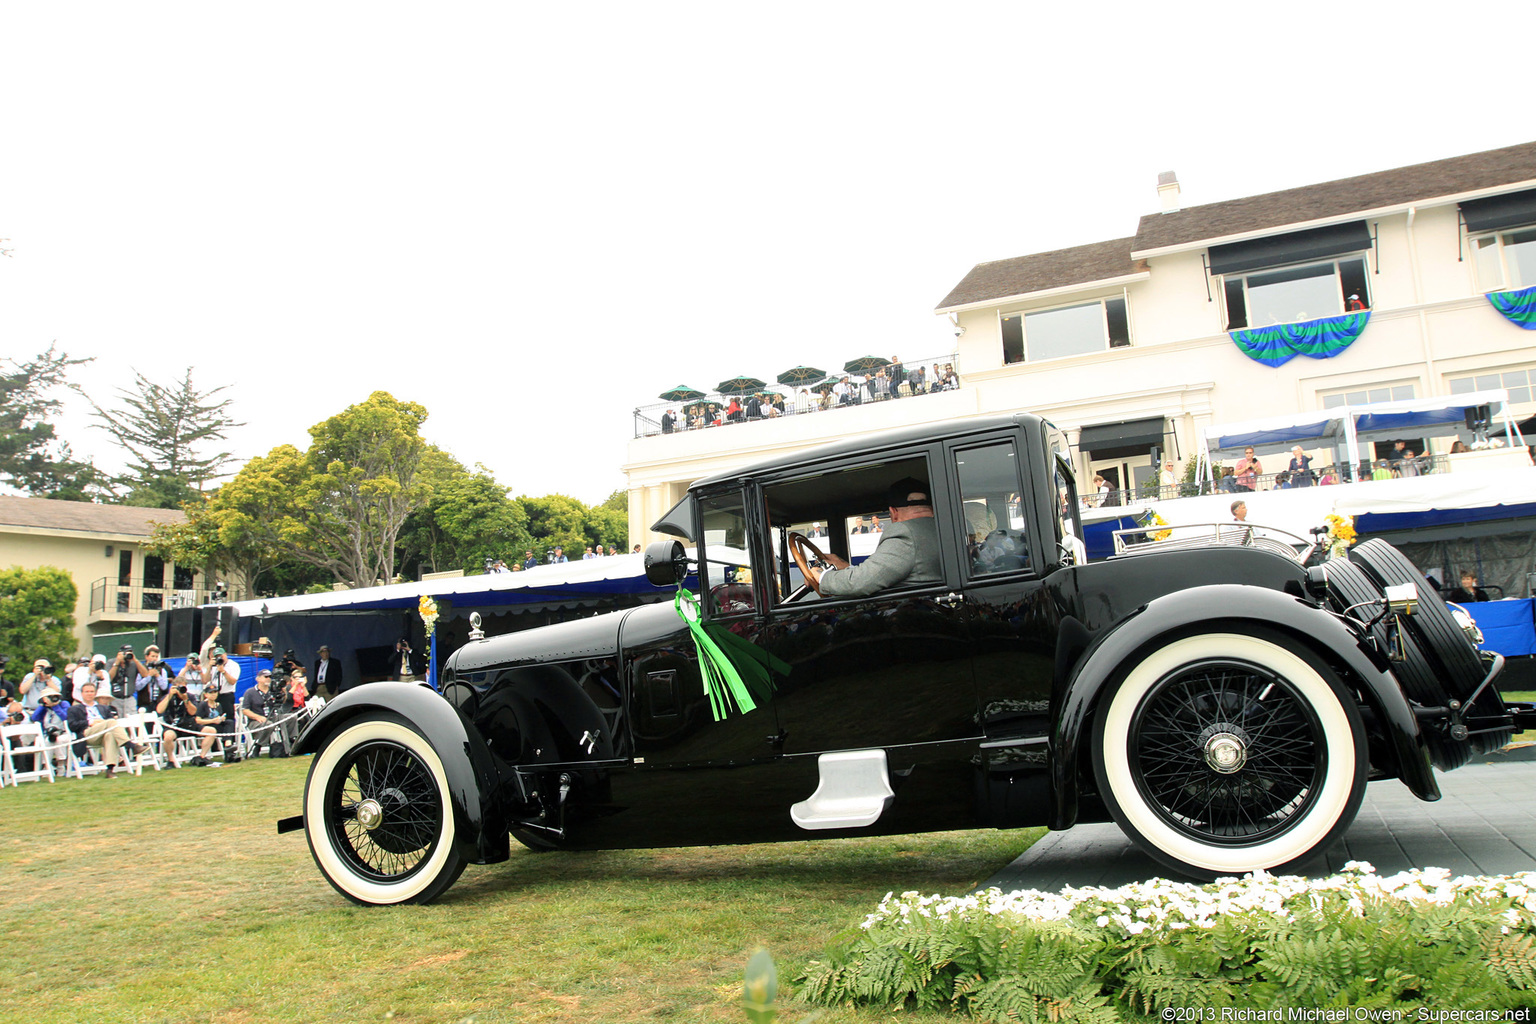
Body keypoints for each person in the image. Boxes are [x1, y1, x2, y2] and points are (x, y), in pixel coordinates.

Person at [814, 479, 943, 599]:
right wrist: (848, 568)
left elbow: (860, 583)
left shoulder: (905, 532)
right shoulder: (941, 529)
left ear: (893, 512)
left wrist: (821, 576)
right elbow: (880, 574)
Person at [69, 682, 140, 778]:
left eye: (91, 691)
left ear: (95, 693)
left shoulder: (103, 708)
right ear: (82, 694)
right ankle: (131, 745)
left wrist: (101, 723)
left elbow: (113, 725)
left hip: (103, 733)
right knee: (110, 722)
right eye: (87, 692)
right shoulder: (74, 709)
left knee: (110, 735)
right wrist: (90, 722)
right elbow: (72, 726)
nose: (89, 694)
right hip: (87, 733)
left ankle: (110, 770)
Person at [240, 669, 281, 759]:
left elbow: (281, 704)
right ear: (258, 679)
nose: (268, 679)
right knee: (269, 725)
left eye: (270, 677)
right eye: (266, 677)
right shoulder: (250, 692)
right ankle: (258, 747)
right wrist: (257, 717)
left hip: (273, 717)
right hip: (256, 721)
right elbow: (245, 710)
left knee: (290, 718)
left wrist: (283, 694)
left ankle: (289, 744)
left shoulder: (273, 691)